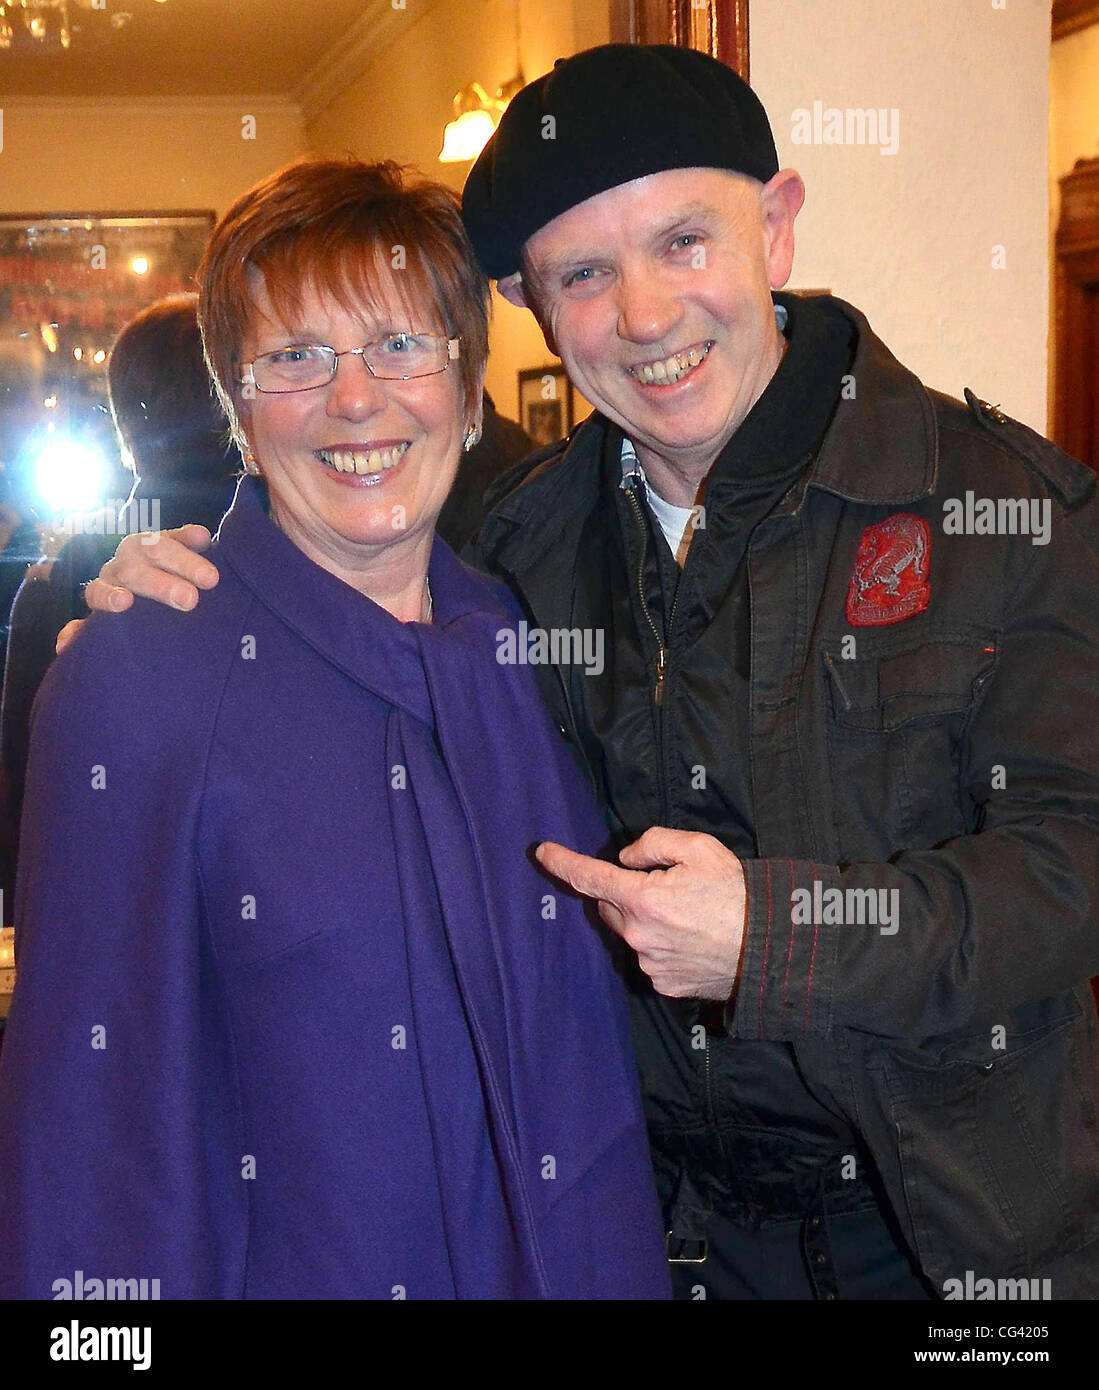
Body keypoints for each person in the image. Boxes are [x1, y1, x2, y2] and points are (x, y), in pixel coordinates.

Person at [72, 46, 1099, 1300]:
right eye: (584, 274)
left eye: (682, 242)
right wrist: (157, 608)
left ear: (774, 229)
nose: (647, 315)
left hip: (956, 1247)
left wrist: (780, 935)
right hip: (651, 1242)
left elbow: (1074, 862)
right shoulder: (513, 550)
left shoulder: (1003, 506)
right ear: (529, 307)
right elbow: (335, 538)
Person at [0, 156, 669, 1300]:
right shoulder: (140, 675)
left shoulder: (516, 636)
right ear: (238, 405)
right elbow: (89, 1138)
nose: (356, 400)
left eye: (402, 345)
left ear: (469, 390)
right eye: (294, 358)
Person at [0, 294, 241, 922]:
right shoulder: (298, 550)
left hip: (88, 919)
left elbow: (21, 796)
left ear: (126, 425)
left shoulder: (60, 574)